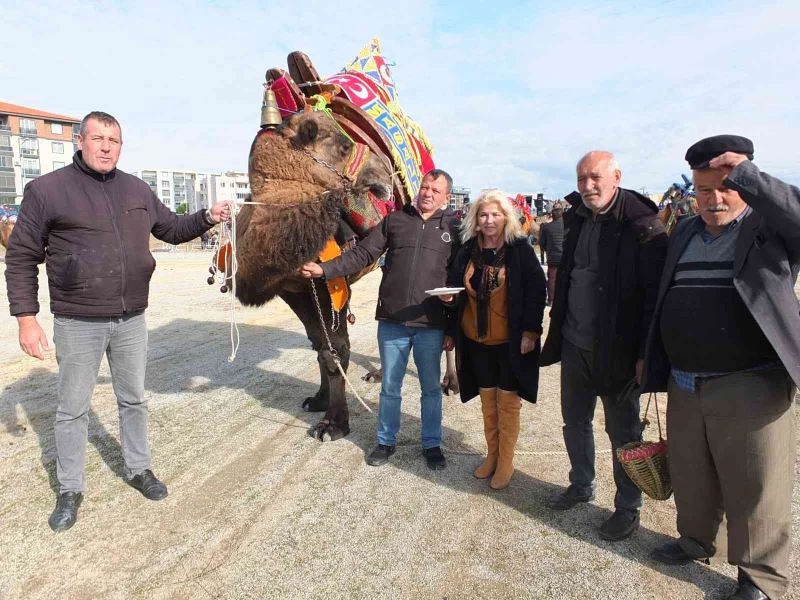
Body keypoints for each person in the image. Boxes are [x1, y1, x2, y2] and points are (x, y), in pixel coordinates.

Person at [5, 111, 232, 532]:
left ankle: (139, 469)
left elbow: (171, 227)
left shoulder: (136, 189)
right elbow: (20, 257)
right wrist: (26, 319)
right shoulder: (48, 191)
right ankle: (70, 489)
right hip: (77, 321)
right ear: (80, 141)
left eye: (114, 139)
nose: (106, 146)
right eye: (98, 138)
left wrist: (207, 216)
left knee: (134, 400)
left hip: (131, 319)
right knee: (72, 410)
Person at [644, 135, 799, 600]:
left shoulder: (768, 229)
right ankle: (695, 540)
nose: (713, 199)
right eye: (703, 189)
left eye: (725, 188)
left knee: (757, 483)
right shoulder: (686, 231)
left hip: (750, 381)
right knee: (693, 473)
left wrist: (748, 174)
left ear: (744, 187)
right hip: (687, 380)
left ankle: (760, 578)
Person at [539, 151, 667, 541]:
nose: (587, 185)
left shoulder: (643, 224)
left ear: (616, 176)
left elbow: (653, 298)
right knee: (574, 421)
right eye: (581, 179)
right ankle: (581, 484)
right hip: (576, 343)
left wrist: (646, 353)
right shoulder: (576, 218)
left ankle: (628, 508)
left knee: (623, 433)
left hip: (620, 351)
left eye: (595, 177)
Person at [300, 169, 460, 470]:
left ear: (446, 197)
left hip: (431, 323)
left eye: (435, 191)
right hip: (393, 321)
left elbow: (460, 274)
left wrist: (454, 313)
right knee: (390, 388)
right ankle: (386, 441)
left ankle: (432, 444)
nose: (427, 193)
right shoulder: (396, 221)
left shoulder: (454, 227)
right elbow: (362, 253)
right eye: (424, 187)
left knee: (430, 389)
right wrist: (326, 270)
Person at [443, 190, 546, 489]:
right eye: (484, 215)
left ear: (506, 217)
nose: (489, 220)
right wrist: (449, 305)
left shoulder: (519, 250)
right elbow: (454, 288)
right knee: (488, 401)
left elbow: (537, 291)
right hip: (476, 340)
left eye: (495, 215)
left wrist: (530, 331)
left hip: (511, 342)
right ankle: (492, 454)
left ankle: (506, 461)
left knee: (508, 403)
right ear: (475, 219)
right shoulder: (466, 250)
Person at [538, 201, 564, 305]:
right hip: (565, 257)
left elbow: (542, 244)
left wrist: (547, 249)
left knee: (552, 279)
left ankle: (551, 300)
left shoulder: (546, 227)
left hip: (552, 257)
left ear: (552, 214)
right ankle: (563, 299)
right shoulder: (568, 225)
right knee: (564, 278)